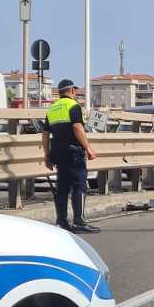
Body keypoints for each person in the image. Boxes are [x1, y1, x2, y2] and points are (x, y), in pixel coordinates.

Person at [42, 79, 100, 233]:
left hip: (58, 153)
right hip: (73, 152)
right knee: (79, 185)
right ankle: (79, 222)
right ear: (72, 91)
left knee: (62, 188)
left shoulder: (52, 109)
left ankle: (61, 222)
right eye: (75, 90)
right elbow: (77, 126)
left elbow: (45, 134)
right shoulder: (73, 106)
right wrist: (88, 147)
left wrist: (47, 156)